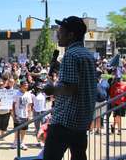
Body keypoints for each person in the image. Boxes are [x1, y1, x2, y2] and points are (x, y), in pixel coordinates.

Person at [43, 16, 96, 160]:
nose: (58, 34)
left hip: (65, 121)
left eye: (60, 31)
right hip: (82, 121)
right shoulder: (88, 55)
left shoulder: (70, 55)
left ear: (71, 35)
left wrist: (51, 90)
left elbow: (70, 89)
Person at [11, 81, 33, 150]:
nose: (26, 86)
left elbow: (29, 105)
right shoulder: (16, 94)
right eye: (25, 85)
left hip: (25, 115)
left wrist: (29, 115)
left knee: (24, 130)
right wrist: (14, 115)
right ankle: (15, 142)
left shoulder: (28, 94)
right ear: (21, 86)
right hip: (18, 115)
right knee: (17, 130)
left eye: (27, 85)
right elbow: (13, 105)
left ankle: (22, 142)